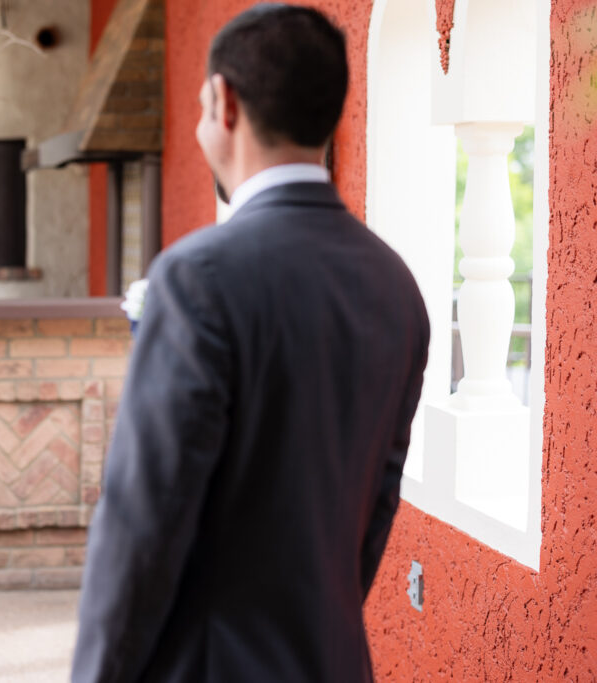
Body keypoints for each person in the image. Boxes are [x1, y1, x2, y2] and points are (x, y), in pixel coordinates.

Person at [72, 5, 430, 682]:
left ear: (224, 102)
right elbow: (377, 503)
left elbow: (144, 518)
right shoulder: (394, 285)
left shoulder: (198, 276)